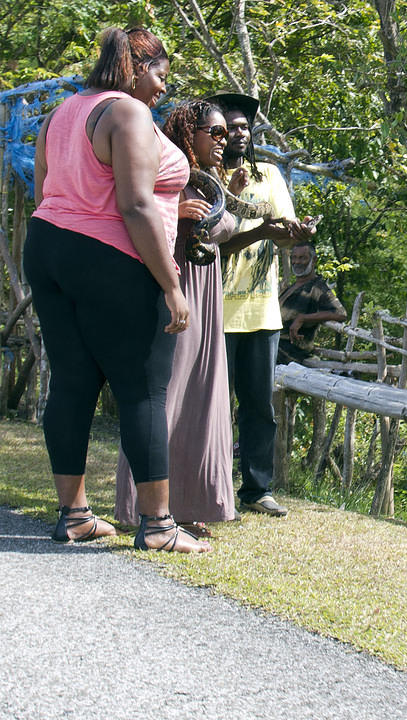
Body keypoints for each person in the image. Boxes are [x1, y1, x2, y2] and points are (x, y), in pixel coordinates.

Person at [24, 27, 208, 552]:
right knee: (143, 388)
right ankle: (158, 526)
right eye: (160, 76)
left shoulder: (61, 114)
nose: (163, 90)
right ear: (136, 68)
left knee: (72, 381)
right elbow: (135, 203)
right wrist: (171, 286)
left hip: (48, 247)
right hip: (111, 257)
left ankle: (75, 515)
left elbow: (45, 192)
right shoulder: (126, 113)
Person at [114, 100, 239, 537]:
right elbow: (130, 210)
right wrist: (176, 215)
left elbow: (228, 227)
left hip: (206, 300)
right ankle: (141, 507)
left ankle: (189, 505)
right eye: (216, 133)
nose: (224, 141)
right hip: (173, 295)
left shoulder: (208, 184)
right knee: (163, 399)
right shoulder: (166, 172)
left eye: (227, 133)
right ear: (191, 132)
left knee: (201, 398)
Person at [208, 90, 315, 517]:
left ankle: (257, 488)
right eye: (228, 126)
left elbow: (284, 235)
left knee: (258, 406)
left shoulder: (269, 174)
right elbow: (214, 242)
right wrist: (262, 231)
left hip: (262, 312)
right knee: (213, 406)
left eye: (243, 126)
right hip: (215, 311)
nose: (237, 132)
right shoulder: (205, 175)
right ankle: (211, 486)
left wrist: (298, 232)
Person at [277, 241, 347, 365]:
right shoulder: (291, 287)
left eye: (302, 258)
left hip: (289, 353)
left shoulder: (317, 287)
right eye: (294, 257)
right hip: (274, 346)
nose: (297, 262)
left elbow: (341, 314)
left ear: (313, 260)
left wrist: (303, 318)